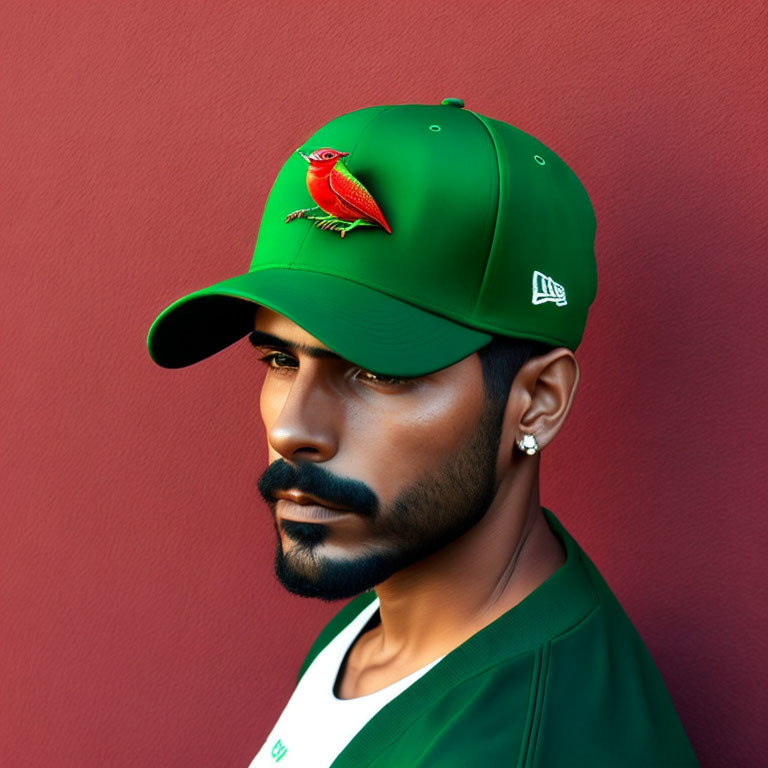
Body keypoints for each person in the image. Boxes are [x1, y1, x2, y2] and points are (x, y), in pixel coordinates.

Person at [147, 99, 700, 767]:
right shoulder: (387, 614)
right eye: (280, 359)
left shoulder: (520, 742)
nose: (293, 428)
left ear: (538, 403)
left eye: (378, 373)